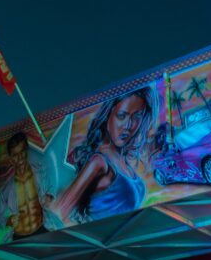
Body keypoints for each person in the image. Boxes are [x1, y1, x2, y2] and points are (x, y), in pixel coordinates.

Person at [53, 87, 153, 224]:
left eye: (136, 117)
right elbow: (59, 210)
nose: (128, 126)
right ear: (108, 117)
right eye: (122, 116)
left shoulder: (123, 163)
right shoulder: (99, 161)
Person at [2, 132, 46, 239]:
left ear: (27, 151)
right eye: (15, 155)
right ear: (11, 159)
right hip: (19, 237)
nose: (20, 158)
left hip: (41, 231)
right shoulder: (8, 188)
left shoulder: (40, 175)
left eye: (22, 152)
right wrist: (7, 221)